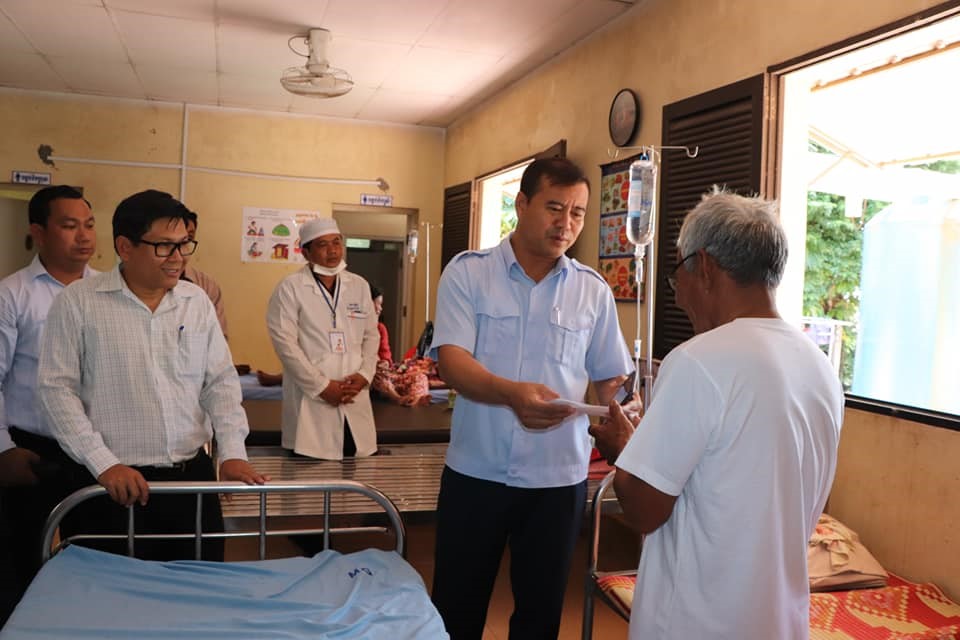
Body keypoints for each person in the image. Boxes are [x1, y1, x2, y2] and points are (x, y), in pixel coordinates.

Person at [589, 189, 844, 640]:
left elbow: (645, 509)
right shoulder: (819, 366)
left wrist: (623, 449)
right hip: (779, 621)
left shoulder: (698, 361)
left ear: (702, 267)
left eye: (677, 276)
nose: (679, 294)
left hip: (698, 619)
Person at [429, 157, 633, 639]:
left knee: (540, 615)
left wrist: (623, 404)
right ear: (521, 204)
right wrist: (511, 394)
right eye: (555, 208)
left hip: (557, 479)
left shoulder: (592, 290)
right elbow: (452, 362)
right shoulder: (468, 274)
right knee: (456, 607)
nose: (566, 224)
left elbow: (609, 378)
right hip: (477, 471)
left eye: (579, 213)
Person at [36, 189, 267, 562]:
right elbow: (56, 391)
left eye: (184, 245)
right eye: (164, 247)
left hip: (190, 480)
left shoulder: (196, 303)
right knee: (112, 601)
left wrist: (232, 452)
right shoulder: (79, 302)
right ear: (125, 247)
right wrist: (103, 463)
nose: (178, 259)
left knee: (199, 591)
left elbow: (220, 383)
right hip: (111, 485)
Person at [0, 185, 97, 624]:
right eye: (69, 225)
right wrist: (4, 449)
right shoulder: (12, 295)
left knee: (97, 554)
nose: (84, 236)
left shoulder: (111, 293)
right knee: (23, 558)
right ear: (38, 232)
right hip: (31, 449)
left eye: (90, 224)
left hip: (95, 449)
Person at [266, 218, 379, 460]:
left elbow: (372, 335)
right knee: (310, 482)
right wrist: (322, 386)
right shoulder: (290, 288)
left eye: (337, 242)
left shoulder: (358, 285)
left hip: (354, 395)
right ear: (306, 252)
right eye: (323, 245)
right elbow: (285, 344)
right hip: (313, 401)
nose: (333, 250)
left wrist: (364, 375)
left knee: (355, 482)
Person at [181, 210, 228, 340]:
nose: (179, 252)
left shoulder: (207, 286)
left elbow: (219, 341)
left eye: (187, 240)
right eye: (167, 243)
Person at [370, 285, 393, 363]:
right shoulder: (351, 327)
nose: (380, 308)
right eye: (377, 303)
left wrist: (385, 362)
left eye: (381, 304)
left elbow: (385, 354)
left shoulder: (380, 328)